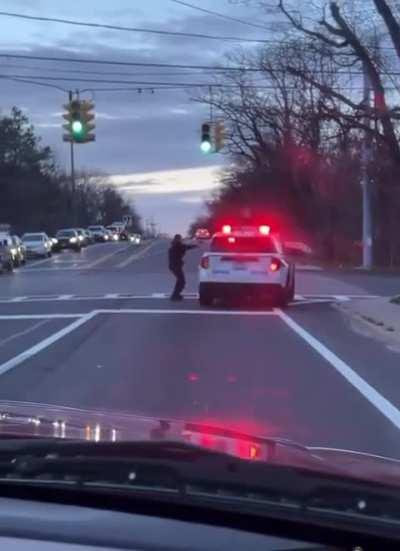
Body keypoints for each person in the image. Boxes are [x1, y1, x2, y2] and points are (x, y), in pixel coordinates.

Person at [168, 234, 197, 301]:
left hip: (174, 266)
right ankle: (175, 296)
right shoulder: (177, 245)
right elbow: (186, 247)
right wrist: (195, 245)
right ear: (178, 239)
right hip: (176, 266)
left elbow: (185, 247)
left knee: (179, 280)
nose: (180, 240)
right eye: (180, 239)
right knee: (182, 281)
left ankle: (175, 295)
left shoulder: (175, 245)